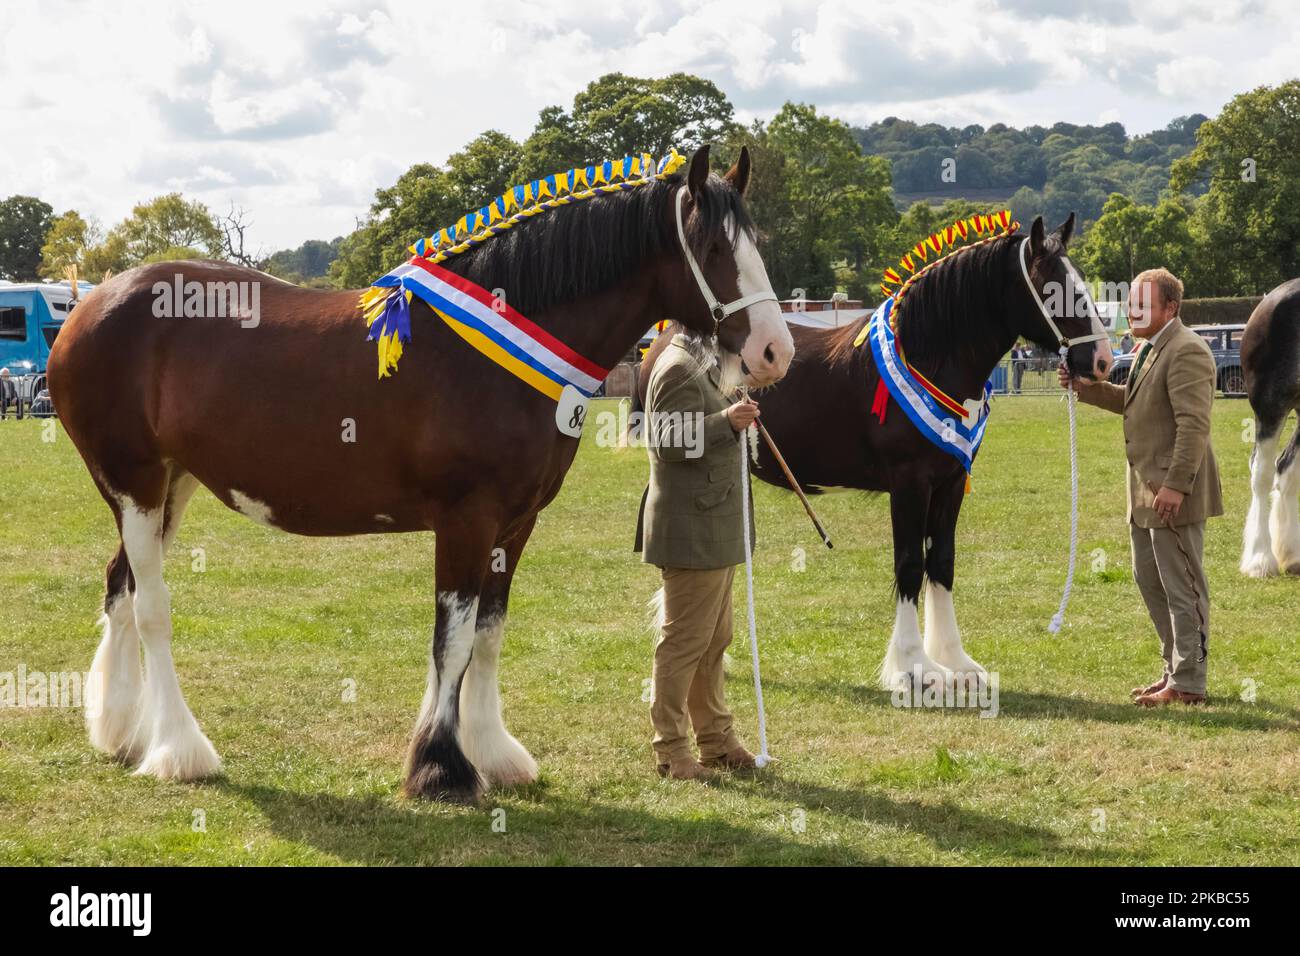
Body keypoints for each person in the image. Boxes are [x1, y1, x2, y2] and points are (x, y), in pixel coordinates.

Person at [1059, 268, 1223, 706]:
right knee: (1151, 581)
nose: (1132, 311)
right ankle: (1175, 671)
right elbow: (1131, 401)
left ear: (1170, 308)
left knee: (1182, 587)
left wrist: (1175, 486)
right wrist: (1085, 389)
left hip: (1172, 494)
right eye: (1131, 303)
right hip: (1145, 493)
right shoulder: (1152, 348)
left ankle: (1189, 681)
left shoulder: (1186, 350)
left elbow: (1194, 427)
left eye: (1142, 304)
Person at [633, 333, 760, 780]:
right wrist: (727, 420)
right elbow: (667, 440)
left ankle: (717, 742)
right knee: (685, 644)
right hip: (692, 530)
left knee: (712, 641)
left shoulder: (703, 360)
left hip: (713, 525)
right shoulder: (677, 368)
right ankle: (671, 750)